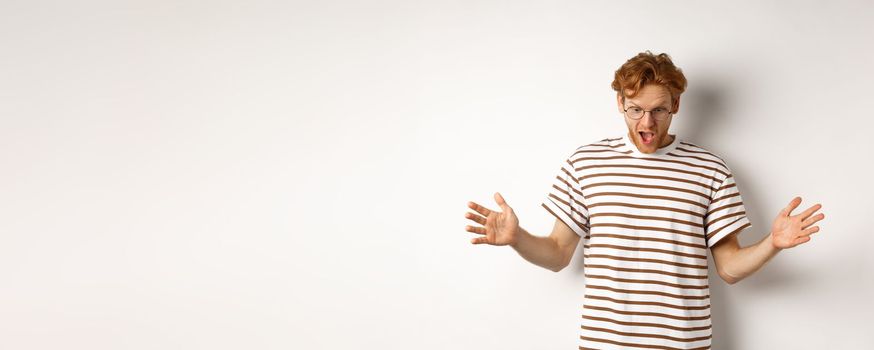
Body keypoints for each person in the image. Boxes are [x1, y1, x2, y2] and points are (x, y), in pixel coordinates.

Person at [463, 51, 826, 349]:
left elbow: (729, 268)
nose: (647, 123)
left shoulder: (710, 169)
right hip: (604, 345)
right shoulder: (585, 163)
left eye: (659, 110)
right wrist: (517, 238)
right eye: (635, 109)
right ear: (620, 102)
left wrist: (773, 244)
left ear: (677, 105)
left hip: (684, 344)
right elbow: (558, 253)